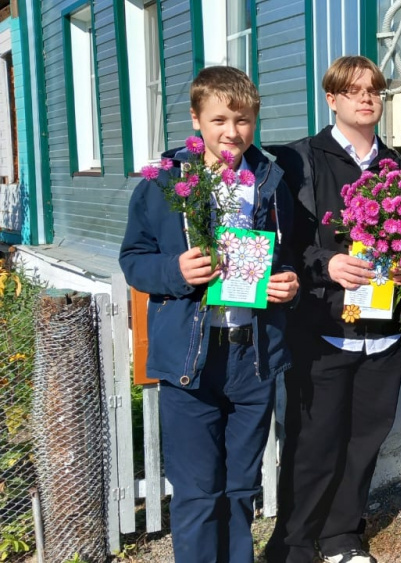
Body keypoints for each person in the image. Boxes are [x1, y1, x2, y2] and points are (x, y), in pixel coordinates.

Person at [119, 66, 299, 563]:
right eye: (219, 119)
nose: (232, 132)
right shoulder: (165, 184)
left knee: (241, 489)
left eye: (243, 120)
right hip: (191, 359)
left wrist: (288, 282)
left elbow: (287, 257)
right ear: (196, 120)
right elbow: (134, 260)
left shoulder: (270, 182)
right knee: (198, 492)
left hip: (252, 356)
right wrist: (176, 271)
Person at [264, 56, 401, 563]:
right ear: (331, 99)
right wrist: (326, 262)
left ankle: (342, 536)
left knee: (364, 442)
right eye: (353, 90)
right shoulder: (299, 163)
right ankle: (292, 544)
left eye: (374, 90)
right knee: (313, 442)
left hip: (383, 334)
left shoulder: (400, 169)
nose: (366, 98)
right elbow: (279, 245)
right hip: (323, 328)